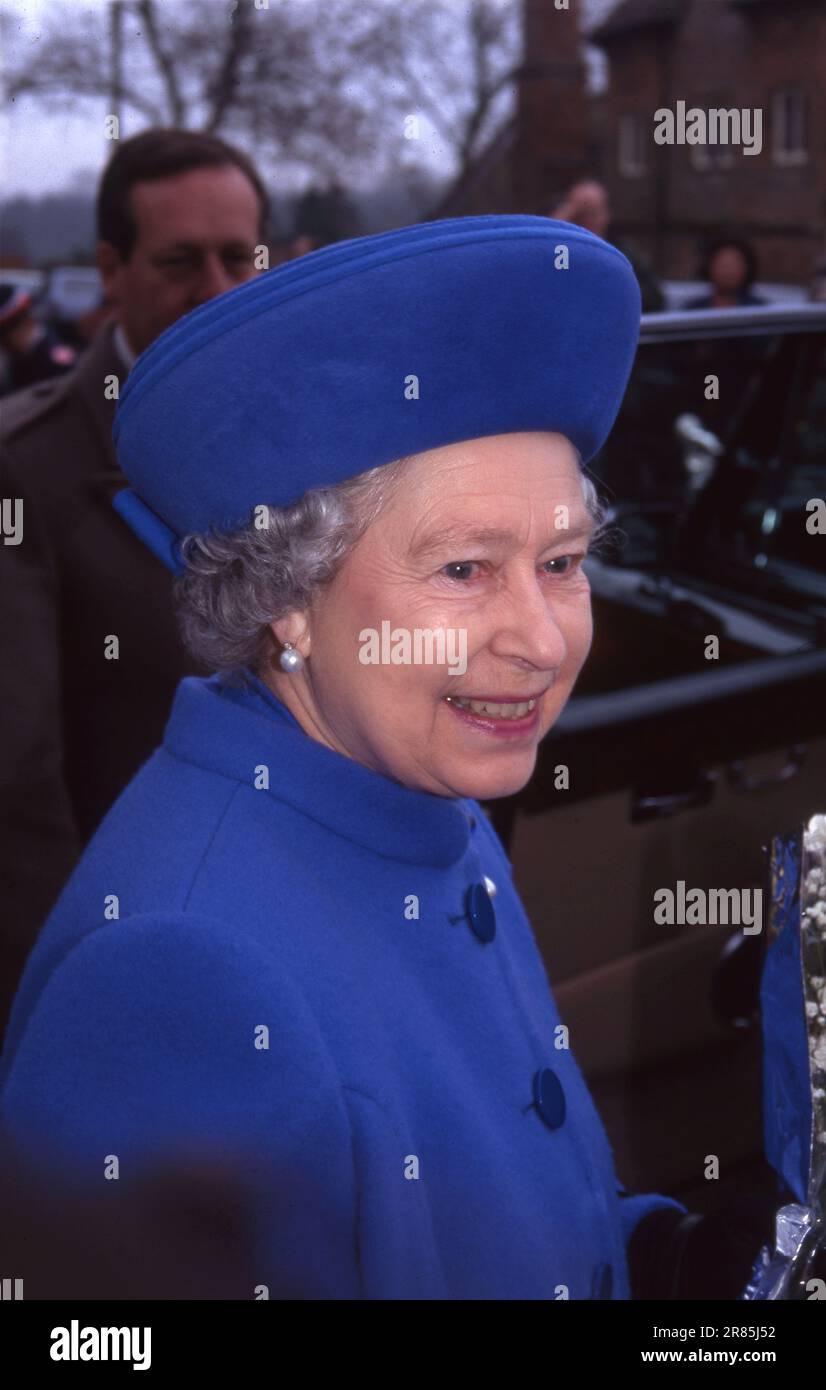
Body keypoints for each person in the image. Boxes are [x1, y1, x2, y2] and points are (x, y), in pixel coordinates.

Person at [0, 215, 777, 1299]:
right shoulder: (182, 979)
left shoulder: (410, 779)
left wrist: (661, 1259)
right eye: (463, 569)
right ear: (287, 602)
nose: (543, 640)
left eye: (560, 561)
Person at [0, 128, 269, 1045]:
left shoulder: (310, 442)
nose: (219, 290)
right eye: (181, 261)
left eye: (240, 256)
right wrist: (85, 1013)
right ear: (111, 269)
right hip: (141, 978)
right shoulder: (26, 475)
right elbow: (18, 794)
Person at [550, 179, 665, 313]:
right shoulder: (563, 253)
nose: (587, 222)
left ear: (606, 216)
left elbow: (654, 298)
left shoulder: (621, 255)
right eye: (580, 215)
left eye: (593, 214)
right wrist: (559, 227)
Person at [0, 284, 77, 395]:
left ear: (28, 322)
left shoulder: (55, 364)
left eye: (3, 337)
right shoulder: (18, 358)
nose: (3, 346)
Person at [684, 235, 768, 310]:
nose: (727, 271)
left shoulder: (759, 310)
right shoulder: (694, 310)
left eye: (733, 265)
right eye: (723, 265)